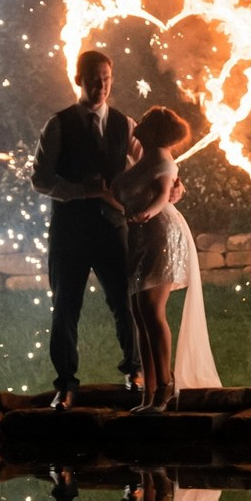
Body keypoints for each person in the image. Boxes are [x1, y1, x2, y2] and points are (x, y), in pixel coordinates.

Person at [31, 50, 138, 405]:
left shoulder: (124, 124)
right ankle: (66, 384)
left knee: (126, 301)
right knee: (65, 306)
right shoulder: (58, 124)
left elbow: (148, 161)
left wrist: (171, 181)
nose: (101, 86)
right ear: (78, 79)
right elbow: (40, 179)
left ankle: (135, 371)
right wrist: (80, 191)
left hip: (113, 229)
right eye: (94, 79)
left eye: (106, 79)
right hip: (70, 232)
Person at [111, 106, 214, 410]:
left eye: (145, 120)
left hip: (160, 234)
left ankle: (165, 386)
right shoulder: (143, 158)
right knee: (139, 312)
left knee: (151, 309)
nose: (138, 122)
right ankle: (150, 391)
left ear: (155, 131)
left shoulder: (161, 160)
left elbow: (162, 192)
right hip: (139, 237)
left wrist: (147, 212)